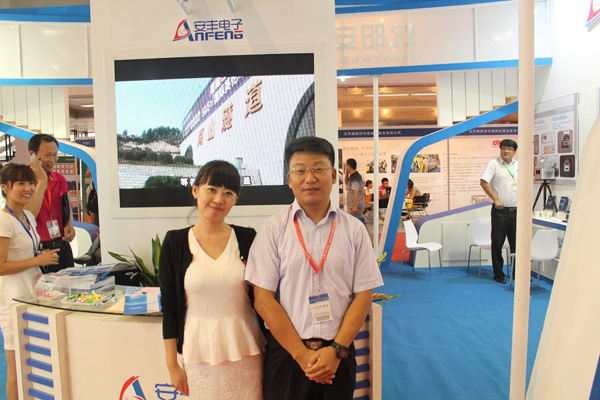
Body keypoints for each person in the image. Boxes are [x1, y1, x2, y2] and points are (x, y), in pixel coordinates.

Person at [245, 137, 384, 400]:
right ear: (289, 179)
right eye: (300, 170)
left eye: (318, 168)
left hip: (338, 356)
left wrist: (337, 351)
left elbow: (363, 296)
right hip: (287, 356)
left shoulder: (354, 230)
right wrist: (301, 355)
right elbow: (262, 299)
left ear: (333, 175)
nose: (310, 178)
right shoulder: (273, 229)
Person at [159, 160, 265, 400]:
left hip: (246, 350)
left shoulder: (248, 238)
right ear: (195, 190)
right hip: (199, 353)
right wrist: (172, 364)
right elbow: (169, 306)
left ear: (236, 199)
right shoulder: (175, 242)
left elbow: (262, 295)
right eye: (212, 189)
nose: (219, 199)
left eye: (228, 193)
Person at [0, 163, 59, 400]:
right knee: (16, 369)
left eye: (31, 183)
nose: (28, 188)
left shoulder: (27, 217)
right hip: (13, 300)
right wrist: (38, 260)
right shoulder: (3, 221)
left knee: (32, 364)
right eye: (20, 183)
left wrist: (40, 263)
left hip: (32, 294)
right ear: (5, 187)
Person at [26, 134, 76, 273]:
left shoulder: (59, 179)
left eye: (55, 154)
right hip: (37, 250)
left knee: (69, 285)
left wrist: (68, 225)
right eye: (47, 155)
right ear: (33, 155)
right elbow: (29, 216)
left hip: (61, 247)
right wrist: (41, 180)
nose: (52, 160)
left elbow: (65, 213)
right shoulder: (24, 181)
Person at [480, 139, 518, 284]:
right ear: (500, 150)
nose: (506, 151)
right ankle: (498, 274)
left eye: (510, 149)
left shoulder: (518, 166)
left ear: (514, 151)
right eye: (504, 148)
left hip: (516, 211)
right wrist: (495, 199)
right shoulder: (493, 164)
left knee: (517, 244)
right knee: (497, 243)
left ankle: (517, 273)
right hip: (500, 211)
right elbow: (484, 182)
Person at [343, 158, 365, 223]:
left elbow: (356, 191)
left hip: (355, 207)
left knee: (353, 224)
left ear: (349, 166)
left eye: (345, 165)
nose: (344, 166)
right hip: (353, 206)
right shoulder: (352, 176)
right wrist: (346, 173)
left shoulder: (355, 177)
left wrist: (354, 206)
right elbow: (346, 182)